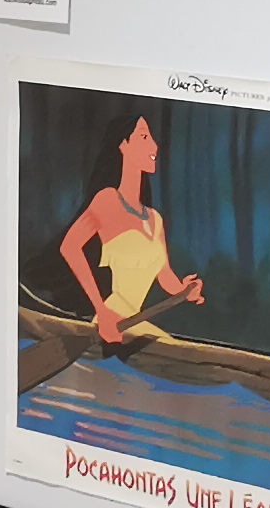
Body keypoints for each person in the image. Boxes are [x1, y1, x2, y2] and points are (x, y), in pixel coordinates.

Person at [58, 115, 204, 343]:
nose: (154, 146)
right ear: (123, 145)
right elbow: (69, 247)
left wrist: (184, 290)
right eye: (144, 137)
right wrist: (102, 311)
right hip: (112, 323)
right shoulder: (107, 201)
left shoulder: (155, 219)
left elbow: (164, 275)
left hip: (134, 323)